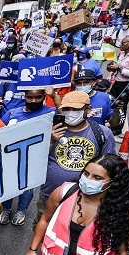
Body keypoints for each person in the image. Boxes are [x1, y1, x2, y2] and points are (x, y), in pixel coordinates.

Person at [36, 91, 116, 224]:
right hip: (49, 193)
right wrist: (50, 141)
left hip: (86, 197)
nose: (71, 113)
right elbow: (36, 161)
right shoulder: (50, 130)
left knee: (76, 229)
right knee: (44, 224)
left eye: (76, 109)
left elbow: (110, 167)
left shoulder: (102, 133)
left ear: (88, 110)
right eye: (67, 109)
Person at [0, 89, 56, 226]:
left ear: (44, 97)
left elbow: (64, 115)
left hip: (34, 158)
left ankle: (21, 211)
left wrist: (54, 96)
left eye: (38, 97)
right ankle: (6, 209)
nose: (33, 101)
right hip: (11, 157)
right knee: (8, 184)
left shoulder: (51, 113)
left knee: (27, 185)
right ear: (24, 97)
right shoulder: (12, 113)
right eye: (30, 97)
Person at [106, 35, 129, 114]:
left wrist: (118, 68)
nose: (120, 45)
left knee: (120, 106)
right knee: (110, 102)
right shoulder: (122, 53)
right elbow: (117, 65)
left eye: (123, 43)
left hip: (126, 85)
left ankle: (120, 121)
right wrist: (111, 70)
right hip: (117, 82)